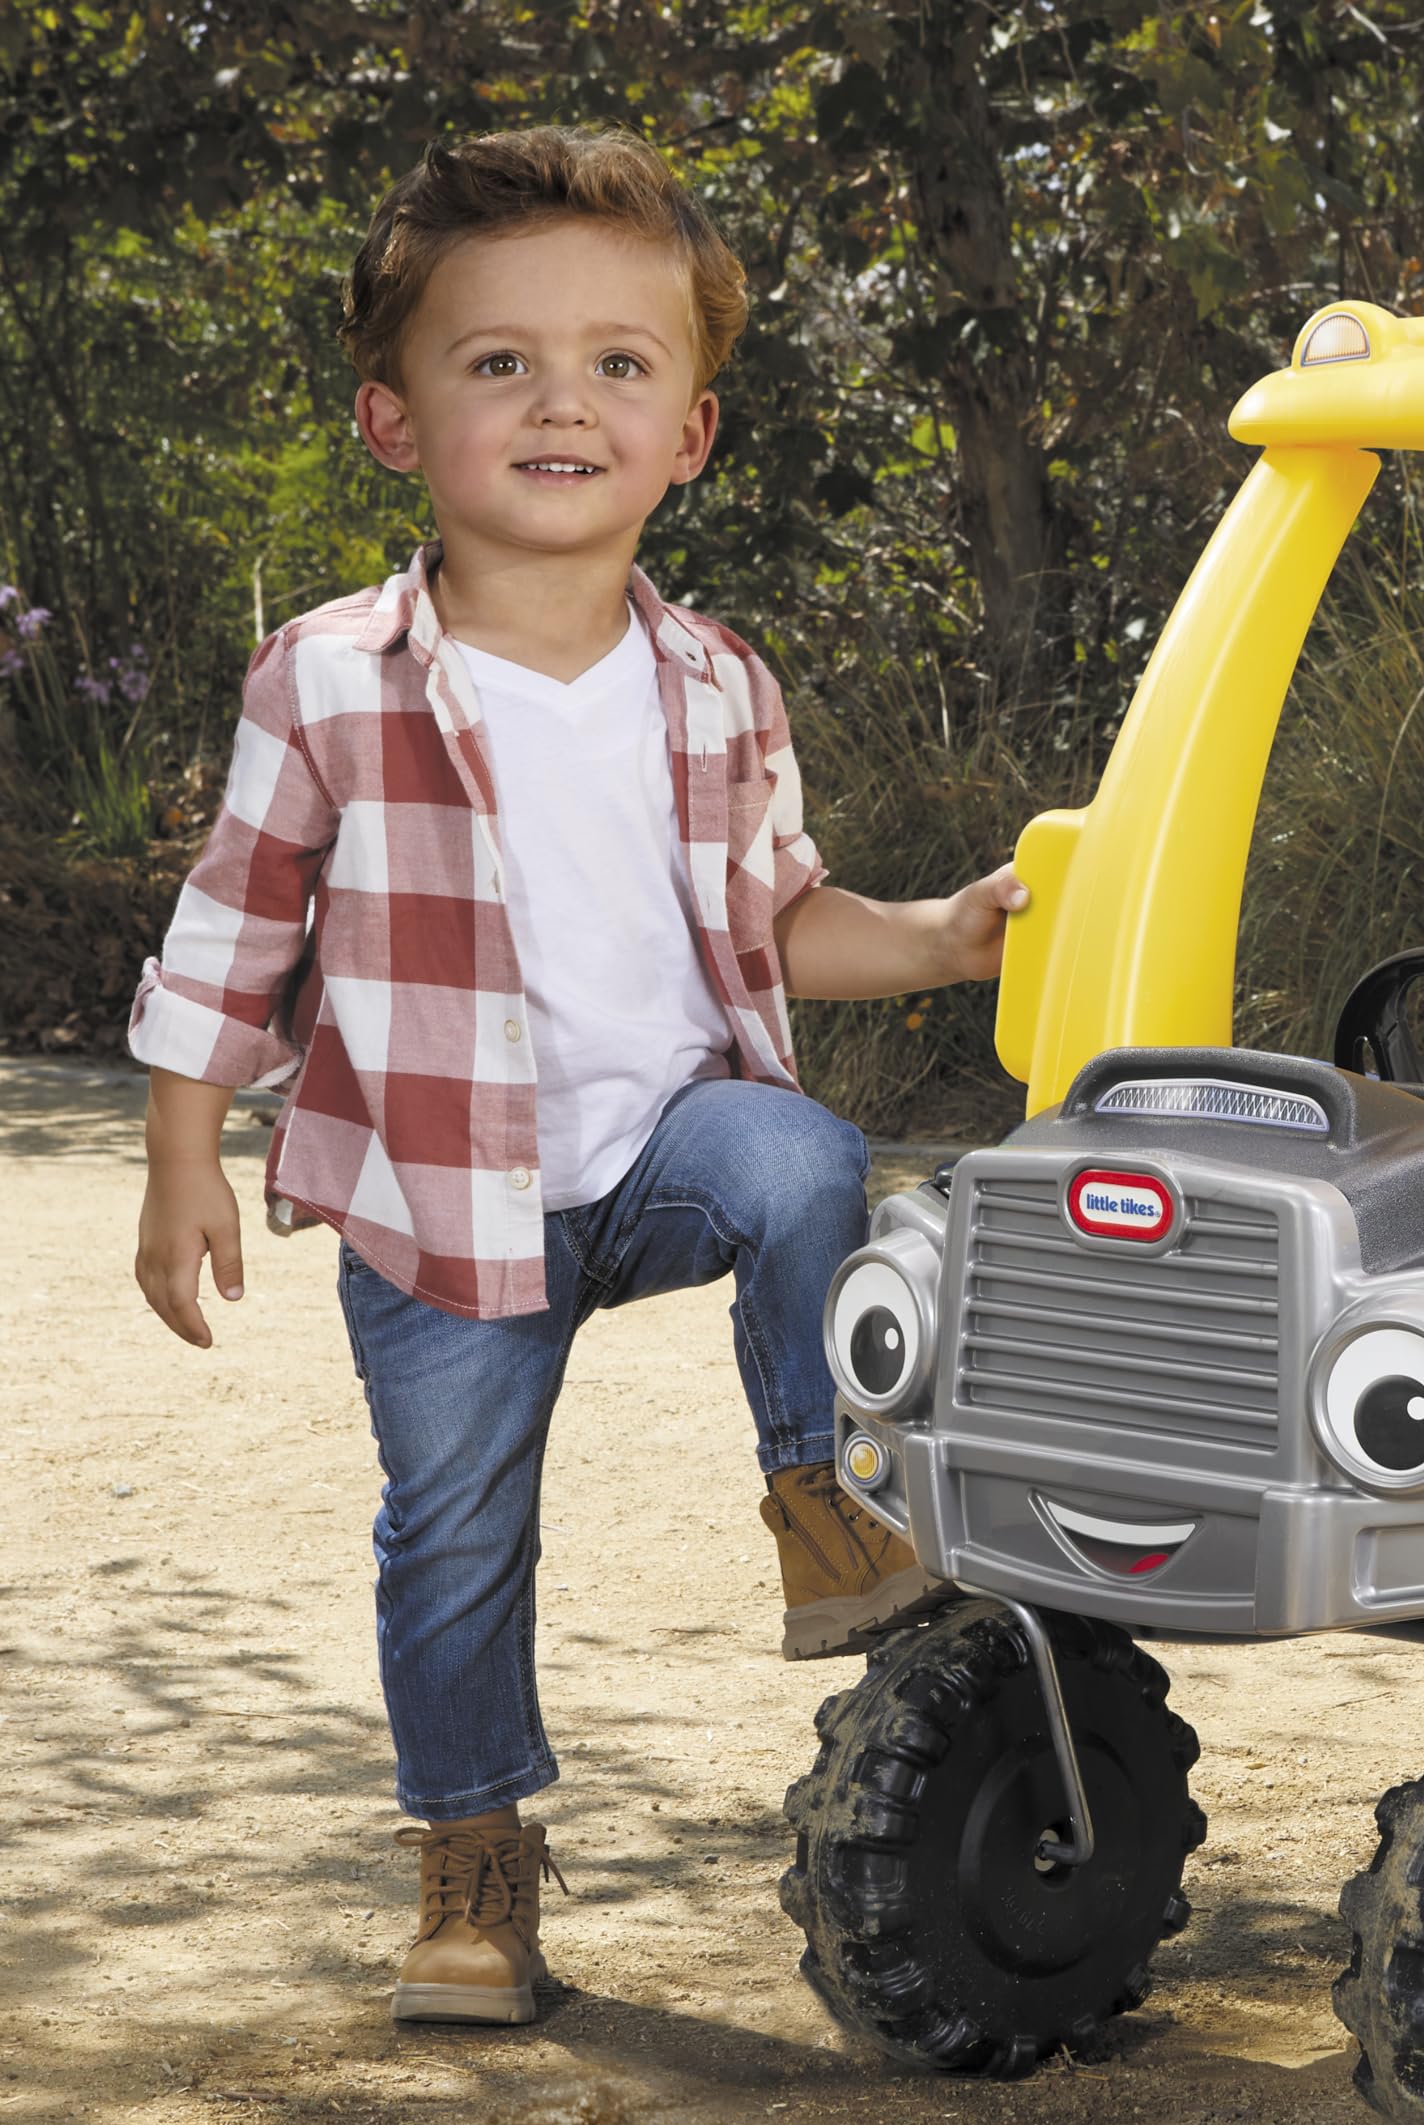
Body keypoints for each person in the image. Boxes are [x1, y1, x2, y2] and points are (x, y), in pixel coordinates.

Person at [126, 126, 1019, 2027]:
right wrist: (183, 1156)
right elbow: (234, 926)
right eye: (498, 362)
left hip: (661, 1155)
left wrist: (938, 934)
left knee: (802, 1158)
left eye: (620, 364)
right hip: (434, 1194)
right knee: (453, 1530)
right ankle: (474, 1867)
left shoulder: (718, 684)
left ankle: (819, 1499)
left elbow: (776, 921)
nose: (562, 402)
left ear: (689, 432)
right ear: (396, 422)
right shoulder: (330, 681)